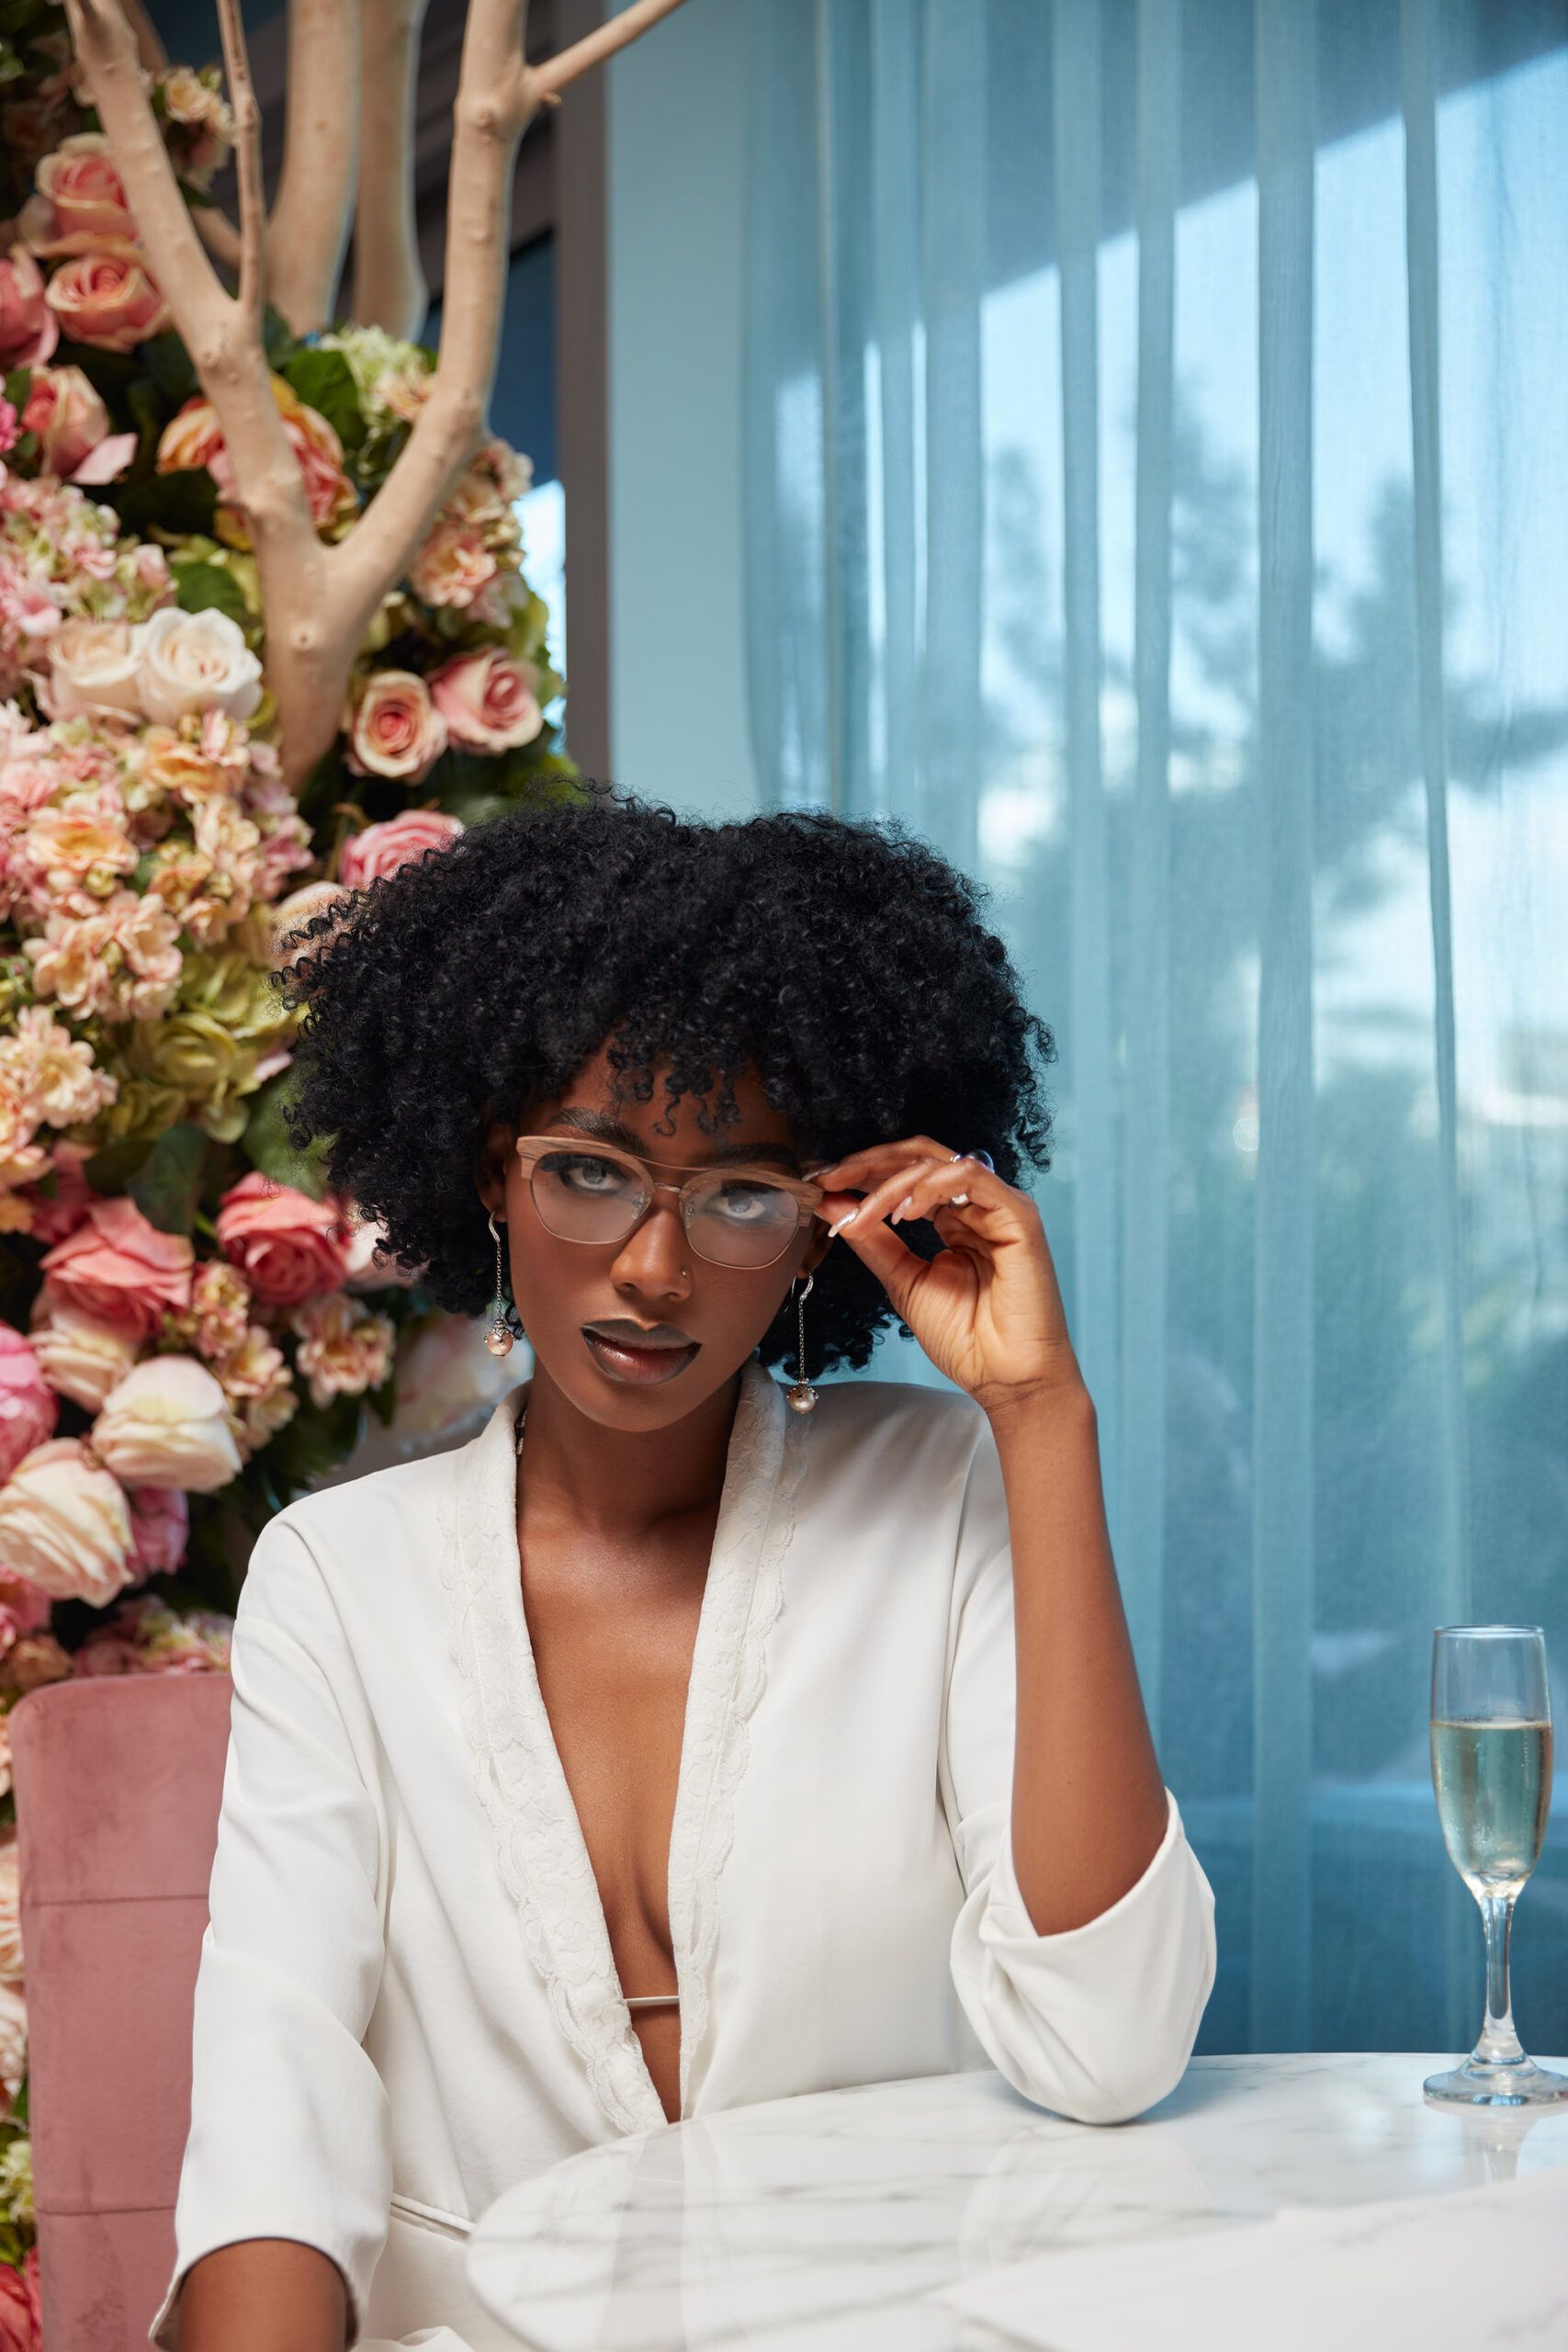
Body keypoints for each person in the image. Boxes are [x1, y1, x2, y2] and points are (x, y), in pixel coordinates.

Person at [153, 793, 1215, 2352]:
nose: (656, 1268)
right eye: (591, 1170)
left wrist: (1041, 1417)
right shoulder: (338, 1577)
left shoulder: (938, 1495)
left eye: (737, 1192)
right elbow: (275, 2121)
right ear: (488, 1172)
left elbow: (1108, 2043)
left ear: (820, 1230)